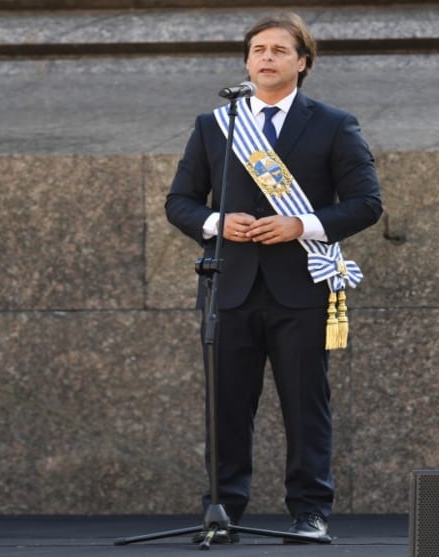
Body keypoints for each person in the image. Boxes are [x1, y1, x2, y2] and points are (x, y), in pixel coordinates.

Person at [165, 12, 383, 543]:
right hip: (229, 288)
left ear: (302, 62)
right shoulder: (217, 125)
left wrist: (300, 225)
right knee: (226, 408)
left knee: (305, 406)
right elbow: (180, 202)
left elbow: (365, 203)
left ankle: (310, 512)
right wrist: (217, 223)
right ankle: (222, 512)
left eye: (280, 50)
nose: (266, 58)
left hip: (302, 288)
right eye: (258, 50)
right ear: (246, 62)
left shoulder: (333, 124)